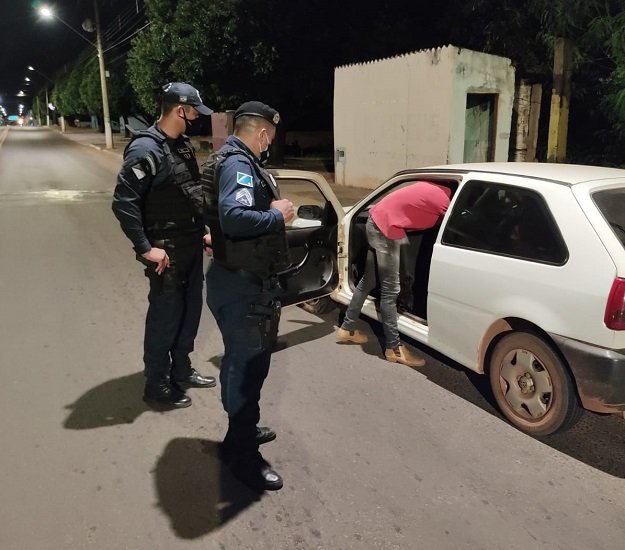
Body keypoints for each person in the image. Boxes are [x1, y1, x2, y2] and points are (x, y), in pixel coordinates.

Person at [202, 100, 295, 492]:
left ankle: (238, 434)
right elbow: (234, 216)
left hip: (234, 280)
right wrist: (278, 215)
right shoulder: (240, 164)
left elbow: (217, 215)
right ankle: (243, 458)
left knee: (241, 367)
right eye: (270, 137)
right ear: (262, 133)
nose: (269, 142)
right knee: (246, 372)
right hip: (241, 289)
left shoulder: (227, 158)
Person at [112, 82, 217, 410]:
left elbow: (190, 193)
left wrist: (203, 231)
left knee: (190, 312)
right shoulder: (146, 150)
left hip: (190, 244)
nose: (197, 118)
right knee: (165, 317)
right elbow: (124, 202)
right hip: (165, 252)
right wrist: (145, 248)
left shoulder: (181, 146)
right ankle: (156, 383)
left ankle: (181, 369)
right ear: (179, 110)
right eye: (194, 112)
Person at [336, 181, 452, 367]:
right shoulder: (444, 201)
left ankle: (347, 328)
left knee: (368, 281)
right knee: (390, 291)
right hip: (386, 229)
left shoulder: (437, 189)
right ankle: (394, 349)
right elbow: (457, 224)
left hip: (377, 221)